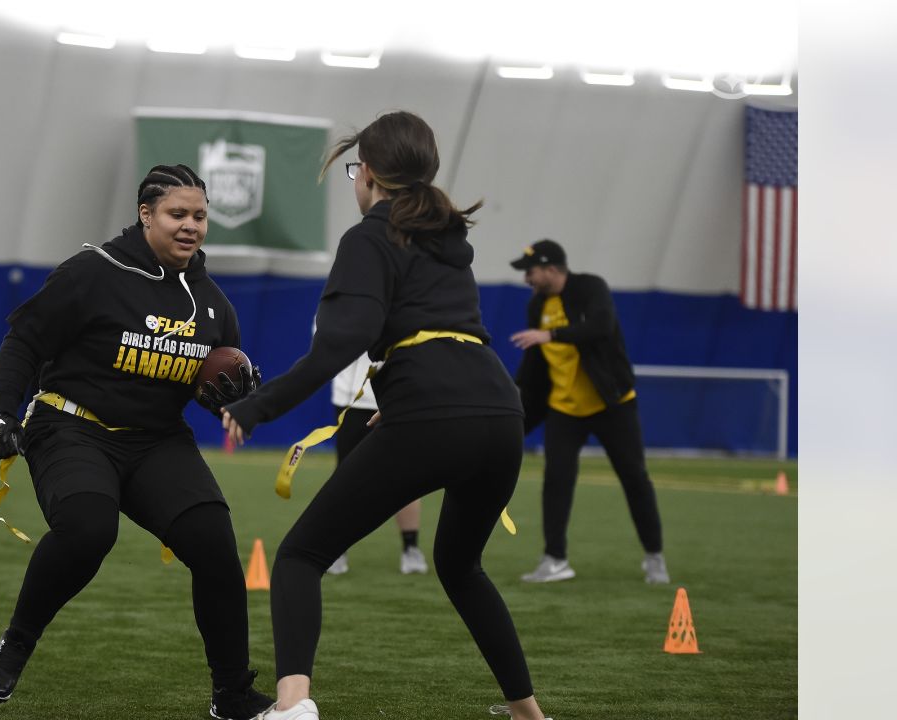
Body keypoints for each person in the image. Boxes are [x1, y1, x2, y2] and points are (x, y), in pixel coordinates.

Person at [221, 111, 550, 720]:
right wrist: (401, 401)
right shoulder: (449, 243)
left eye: (354, 171)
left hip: (432, 415)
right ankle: (530, 715)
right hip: (500, 412)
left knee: (299, 558)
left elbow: (342, 342)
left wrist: (258, 406)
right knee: (460, 564)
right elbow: (444, 335)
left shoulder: (369, 237)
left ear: (367, 174)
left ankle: (292, 707)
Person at [0, 164, 274, 720]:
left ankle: (232, 694)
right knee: (89, 530)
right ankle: (16, 643)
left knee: (214, 544)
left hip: (156, 439)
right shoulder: (93, 271)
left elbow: (221, 377)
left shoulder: (212, 303)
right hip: (71, 426)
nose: (191, 226)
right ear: (146, 215)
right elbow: (24, 341)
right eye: (177, 214)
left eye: (200, 216)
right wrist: (0, 413)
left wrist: (235, 400)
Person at [507, 239, 669, 585]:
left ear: (551, 269)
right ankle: (555, 559)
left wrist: (551, 334)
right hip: (564, 410)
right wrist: (513, 411)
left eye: (530, 272)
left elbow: (600, 325)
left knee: (634, 478)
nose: (527, 279)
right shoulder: (537, 306)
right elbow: (534, 367)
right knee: (557, 481)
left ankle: (654, 556)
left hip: (613, 405)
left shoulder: (590, 288)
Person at [325, 352, 427, 576]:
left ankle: (411, 548)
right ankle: (336, 550)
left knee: (404, 475)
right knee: (347, 476)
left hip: (394, 398)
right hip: (351, 401)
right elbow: (329, 343)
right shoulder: (334, 315)